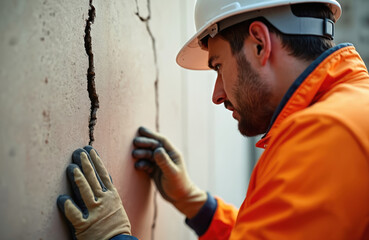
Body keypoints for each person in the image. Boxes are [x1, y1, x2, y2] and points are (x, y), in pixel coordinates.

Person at [57, 0, 369, 239]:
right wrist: (196, 204)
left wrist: (114, 237)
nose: (217, 95)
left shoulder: (328, 134)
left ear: (259, 43)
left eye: (218, 66)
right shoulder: (346, 113)